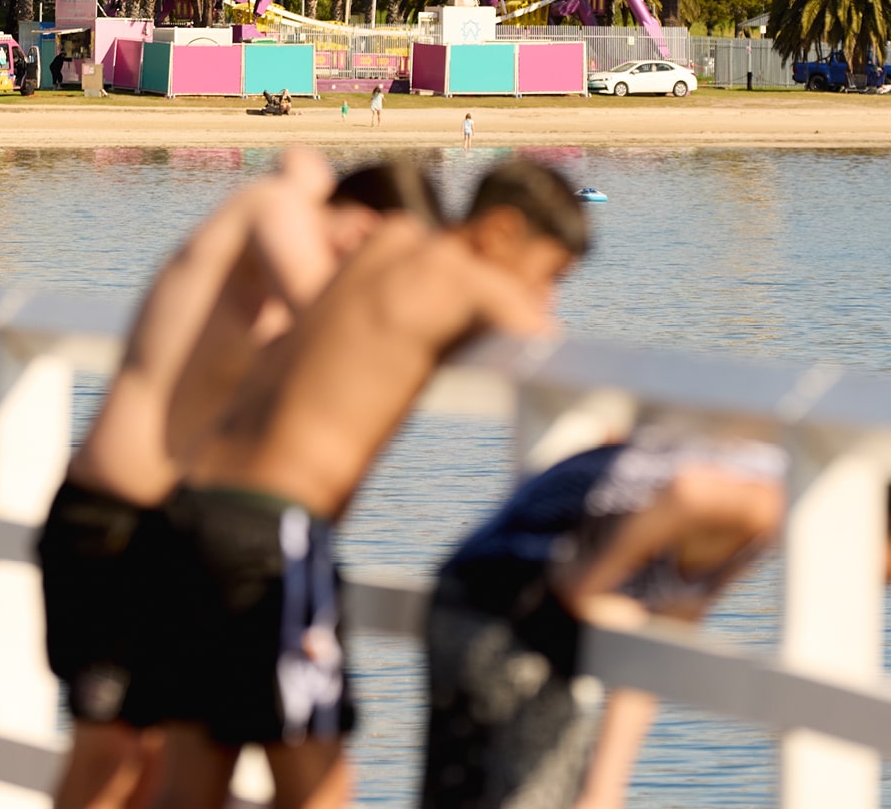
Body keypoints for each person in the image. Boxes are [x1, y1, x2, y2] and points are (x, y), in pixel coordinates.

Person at [144, 159, 591, 809]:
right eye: (547, 275)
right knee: (319, 786)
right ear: (498, 231)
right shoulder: (466, 277)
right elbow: (544, 338)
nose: (546, 295)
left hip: (194, 509)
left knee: (194, 779)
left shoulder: (389, 244)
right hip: (269, 532)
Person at [39, 153, 443, 809]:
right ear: (365, 225)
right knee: (111, 749)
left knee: (160, 756)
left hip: (176, 529)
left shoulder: (292, 264)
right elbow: (325, 299)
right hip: (108, 516)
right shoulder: (273, 208)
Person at [421, 427, 891, 809]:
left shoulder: (754, 528)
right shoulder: (767, 500)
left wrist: (606, 786)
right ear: (855, 514)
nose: (846, 589)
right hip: (508, 605)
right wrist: (591, 585)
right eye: (863, 571)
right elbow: (689, 492)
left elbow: (665, 637)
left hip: (481, 598)